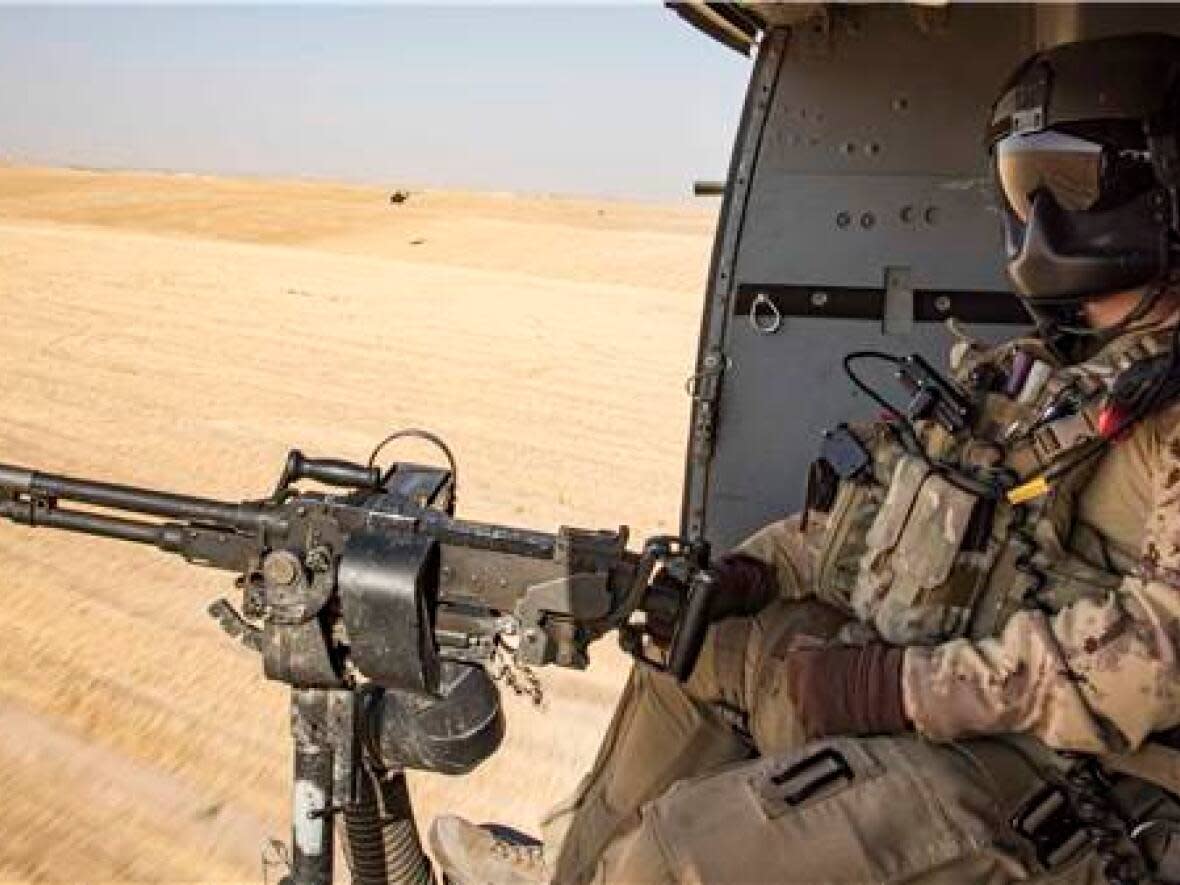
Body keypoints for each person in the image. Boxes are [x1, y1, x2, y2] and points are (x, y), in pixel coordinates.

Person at [432, 33, 1180, 884]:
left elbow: (1156, 661)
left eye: (1077, 186)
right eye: (1026, 186)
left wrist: (895, 689)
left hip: (1088, 786)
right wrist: (748, 575)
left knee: (677, 860)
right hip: (963, 703)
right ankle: (573, 866)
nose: (1043, 221)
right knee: (690, 662)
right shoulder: (1056, 373)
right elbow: (875, 515)